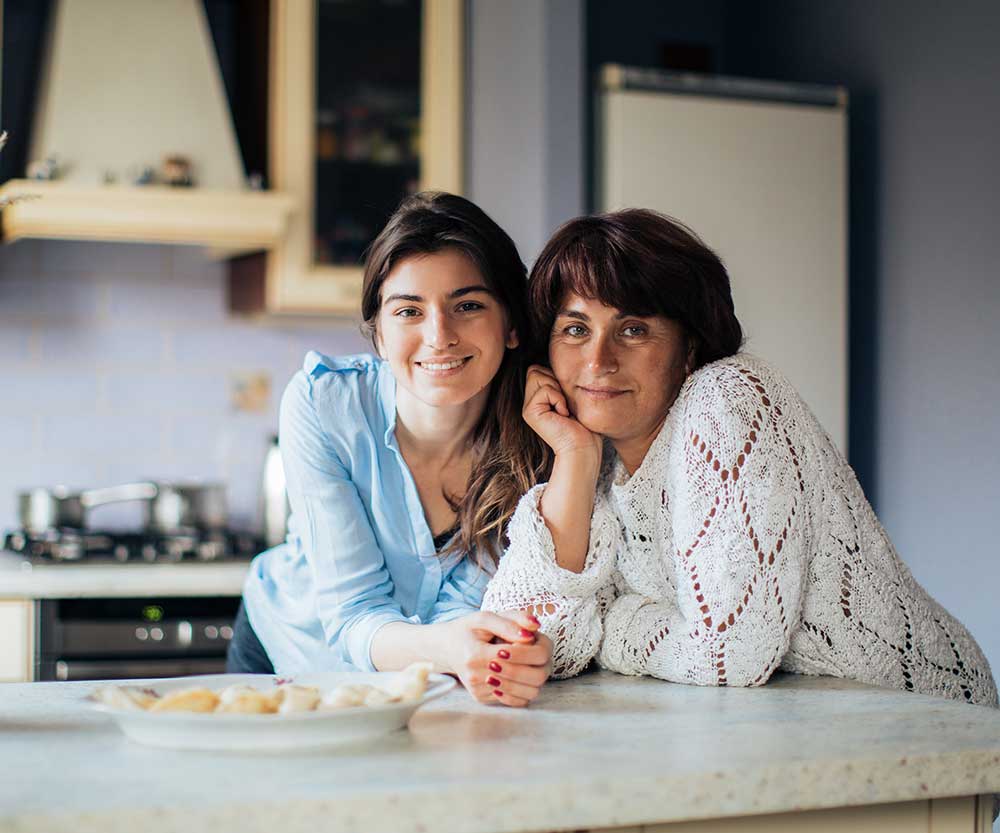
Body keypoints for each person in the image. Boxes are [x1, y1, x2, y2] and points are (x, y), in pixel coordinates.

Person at [482, 208, 998, 706]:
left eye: (634, 329)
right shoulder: (597, 460)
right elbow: (518, 644)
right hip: (801, 728)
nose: (599, 360)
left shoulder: (727, 398)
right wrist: (573, 457)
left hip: (927, 717)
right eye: (575, 330)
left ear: (689, 348)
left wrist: (613, 623)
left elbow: (730, 656)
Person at [230, 192, 553, 707]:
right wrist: (450, 646)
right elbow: (353, 611)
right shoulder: (324, 403)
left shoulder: (541, 437)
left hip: (433, 678)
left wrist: (464, 646)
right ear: (378, 333)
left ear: (511, 325)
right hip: (292, 652)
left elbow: (469, 617)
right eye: (409, 311)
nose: (438, 335)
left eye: (468, 305)